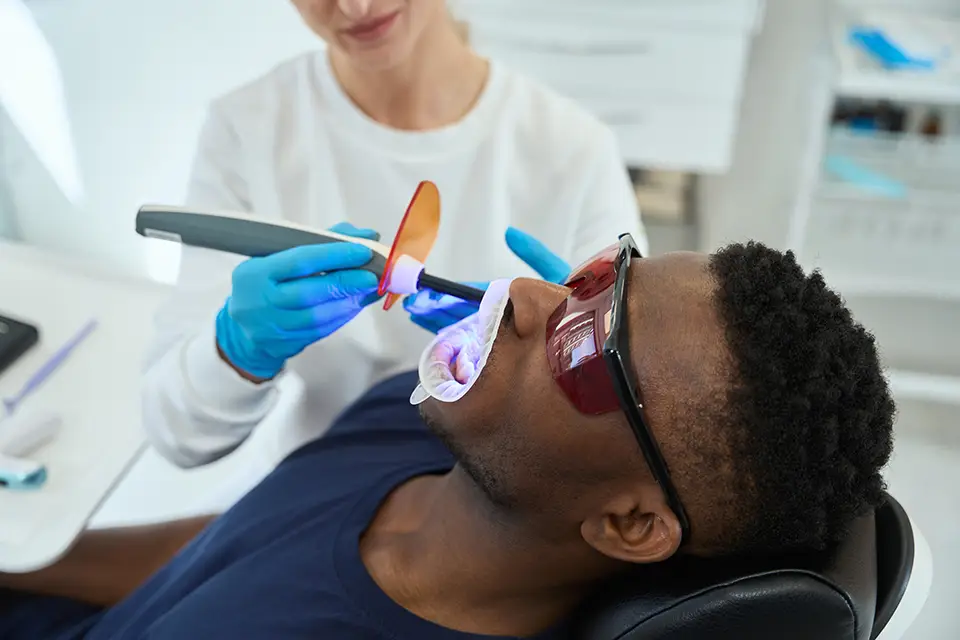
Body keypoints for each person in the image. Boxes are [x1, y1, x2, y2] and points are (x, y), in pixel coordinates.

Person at [1, 239, 894, 639]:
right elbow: (225, 549)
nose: (530, 299)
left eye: (584, 344)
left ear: (629, 524)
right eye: (591, 277)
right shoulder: (412, 419)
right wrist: (17, 557)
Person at [141, 0, 647, 478]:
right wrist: (239, 349)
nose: (356, 8)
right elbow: (178, 433)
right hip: (323, 481)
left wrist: (567, 359)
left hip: (511, 494)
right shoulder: (247, 130)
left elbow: (644, 417)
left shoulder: (573, 148)